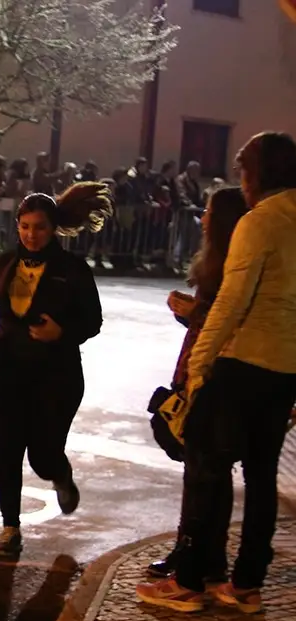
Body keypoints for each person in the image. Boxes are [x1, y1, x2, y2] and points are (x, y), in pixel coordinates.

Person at [137, 133, 296, 614]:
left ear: (259, 173)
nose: (240, 179)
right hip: (286, 370)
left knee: (206, 466)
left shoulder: (260, 221)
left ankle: (190, 583)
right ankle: (246, 584)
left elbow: (230, 301)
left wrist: (200, 366)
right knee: (262, 474)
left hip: (243, 362)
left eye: (242, 169)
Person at [0, 182, 110, 560]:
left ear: (53, 227)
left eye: (39, 227)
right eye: (24, 226)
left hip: (56, 374)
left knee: (42, 454)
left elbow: (93, 320)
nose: (30, 234)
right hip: (5, 368)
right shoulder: (4, 264)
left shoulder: (72, 270)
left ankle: (59, 473)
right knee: (5, 449)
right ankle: (10, 526)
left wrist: (63, 332)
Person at [142, 186, 247, 580]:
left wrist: (197, 312)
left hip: (214, 378)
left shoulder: (235, 268)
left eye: (208, 212)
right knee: (201, 470)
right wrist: (189, 314)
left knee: (207, 471)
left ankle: (198, 562)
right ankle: (198, 554)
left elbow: (229, 324)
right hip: (196, 370)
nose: (201, 218)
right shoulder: (217, 265)